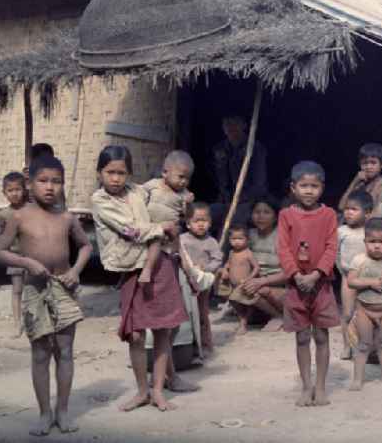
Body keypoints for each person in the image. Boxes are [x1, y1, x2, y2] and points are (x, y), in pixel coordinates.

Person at [0, 155, 93, 436]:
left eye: (56, 181)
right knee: (40, 354)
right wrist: (27, 263)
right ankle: (44, 413)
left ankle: (62, 411)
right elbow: (1, 251)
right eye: (43, 181)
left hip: (64, 287)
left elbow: (85, 246)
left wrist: (75, 270)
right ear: (30, 183)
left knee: (65, 350)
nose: (50, 187)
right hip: (35, 289)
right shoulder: (19, 216)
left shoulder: (67, 218)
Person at [91, 145, 189, 412]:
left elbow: (167, 191)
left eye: (121, 173)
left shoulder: (139, 191)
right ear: (100, 173)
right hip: (129, 269)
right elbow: (130, 229)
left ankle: (157, 390)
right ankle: (141, 391)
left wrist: (182, 202)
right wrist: (161, 227)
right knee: (135, 335)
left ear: (129, 174)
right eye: (110, 172)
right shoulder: (100, 201)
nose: (115, 178)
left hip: (159, 264)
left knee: (162, 330)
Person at [277, 161, 339, 407]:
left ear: (322, 188)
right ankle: (306, 387)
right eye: (304, 186)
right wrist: (295, 274)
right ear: (293, 187)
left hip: (321, 285)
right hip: (295, 286)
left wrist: (315, 274)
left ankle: (321, 388)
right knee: (302, 338)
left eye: (314, 186)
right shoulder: (286, 215)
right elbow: (282, 248)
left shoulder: (329, 215)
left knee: (321, 337)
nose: (309, 191)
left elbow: (331, 247)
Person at [346, 217, 382, 391]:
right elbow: (351, 282)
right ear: (365, 241)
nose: (377, 246)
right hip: (365, 310)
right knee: (363, 345)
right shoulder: (359, 260)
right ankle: (358, 379)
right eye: (372, 241)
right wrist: (371, 283)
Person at [140, 150, 196, 284]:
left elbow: (188, 217)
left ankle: (190, 278)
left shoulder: (184, 194)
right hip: (149, 226)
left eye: (187, 178)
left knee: (176, 252)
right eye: (181, 176)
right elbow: (138, 195)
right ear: (165, 173)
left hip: (168, 232)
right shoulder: (153, 185)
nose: (184, 182)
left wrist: (189, 205)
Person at [179, 202, 222, 353]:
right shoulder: (181, 240)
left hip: (202, 283)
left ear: (210, 223)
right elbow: (177, 257)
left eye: (204, 221)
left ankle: (206, 343)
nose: (201, 224)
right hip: (184, 283)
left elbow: (217, 260)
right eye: (197, 221)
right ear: (188, 223)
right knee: (186, 313)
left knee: (202, 313)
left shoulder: (211, 242)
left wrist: (206, 268)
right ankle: (188, 344)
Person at [211, 115, 268, 229]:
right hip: (225, 200)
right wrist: (225, 197)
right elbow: (218, 180)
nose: (231, 127)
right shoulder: (220, 149)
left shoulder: (255, 148)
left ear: (244, 125)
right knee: (208, 214)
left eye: (235, 123)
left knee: (236, 220)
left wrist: (239, 200)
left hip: (249, 200)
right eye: (227, 123)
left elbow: (259, 185)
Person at [239, 196, 287, 331]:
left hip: (281, 289)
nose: (261, 216)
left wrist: (261, 281)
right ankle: (263, 314)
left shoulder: (281, 237)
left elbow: (289, 273)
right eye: (257, 212)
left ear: (275, 217)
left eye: (266, 212)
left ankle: (278, 316)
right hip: (256, 285)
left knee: (258, 290)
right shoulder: (248, 235)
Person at [336, 190, 372, 360]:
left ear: (368, 213)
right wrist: (342, 270)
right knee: (348, 312)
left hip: (368, 278)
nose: (348, 212)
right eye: (347, 209)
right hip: (348, 278)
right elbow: (335, 254)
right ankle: (347, 346)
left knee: (367, 311)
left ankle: (367, 345)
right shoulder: (341, 231)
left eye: (354, 209)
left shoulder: (372, 232)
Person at [0, 170, 27, 336]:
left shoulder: (31, 210)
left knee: (35, 290)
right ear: (4, 193)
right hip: (15, 258)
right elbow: (0, 238)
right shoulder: (3, 214)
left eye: (18, 189)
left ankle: (36, 322)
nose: (14, 193)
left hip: (33, 257)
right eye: (10, 190)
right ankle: (17, 323)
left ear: (24, 190)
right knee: (17, 290)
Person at [221, 224, 261, 335]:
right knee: (233, 301)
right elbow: (228, 264)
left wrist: (249, 278)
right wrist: (225, 270)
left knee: (245, 303)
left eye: (240, 238)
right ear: (229, 240)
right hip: (233, 284)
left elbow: (256, 267)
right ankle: (243, 319)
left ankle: (243, 322)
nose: (237, 241)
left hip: (243, 284)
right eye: (233, 239)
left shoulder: (248, 253)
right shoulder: (231, 253)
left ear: (247, 240)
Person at [338, 143, 382, 211]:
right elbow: (341, 206)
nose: (368, 167)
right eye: (365, 163)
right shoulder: (360, 185)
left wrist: (377, 185)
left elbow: (371, 208)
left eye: (373, 163)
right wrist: (354, 182)